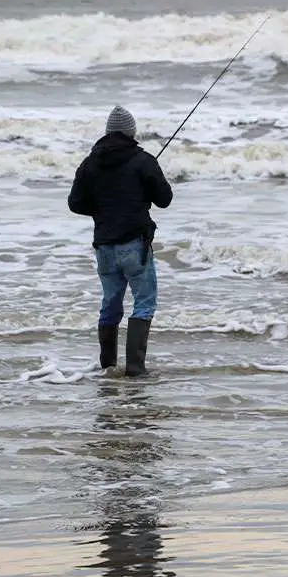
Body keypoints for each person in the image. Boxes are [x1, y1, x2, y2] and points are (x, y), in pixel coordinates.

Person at [68, 106, 173, 376]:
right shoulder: (143, 160)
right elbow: (165, 199)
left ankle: (108, 367)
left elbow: (75, 203)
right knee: (144, 302)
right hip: (134, 244)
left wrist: (103, 209)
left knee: (110, 303)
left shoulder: (90, 163)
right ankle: (136, 369)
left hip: (104, 245)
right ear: (131, 132)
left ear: (107, 131)